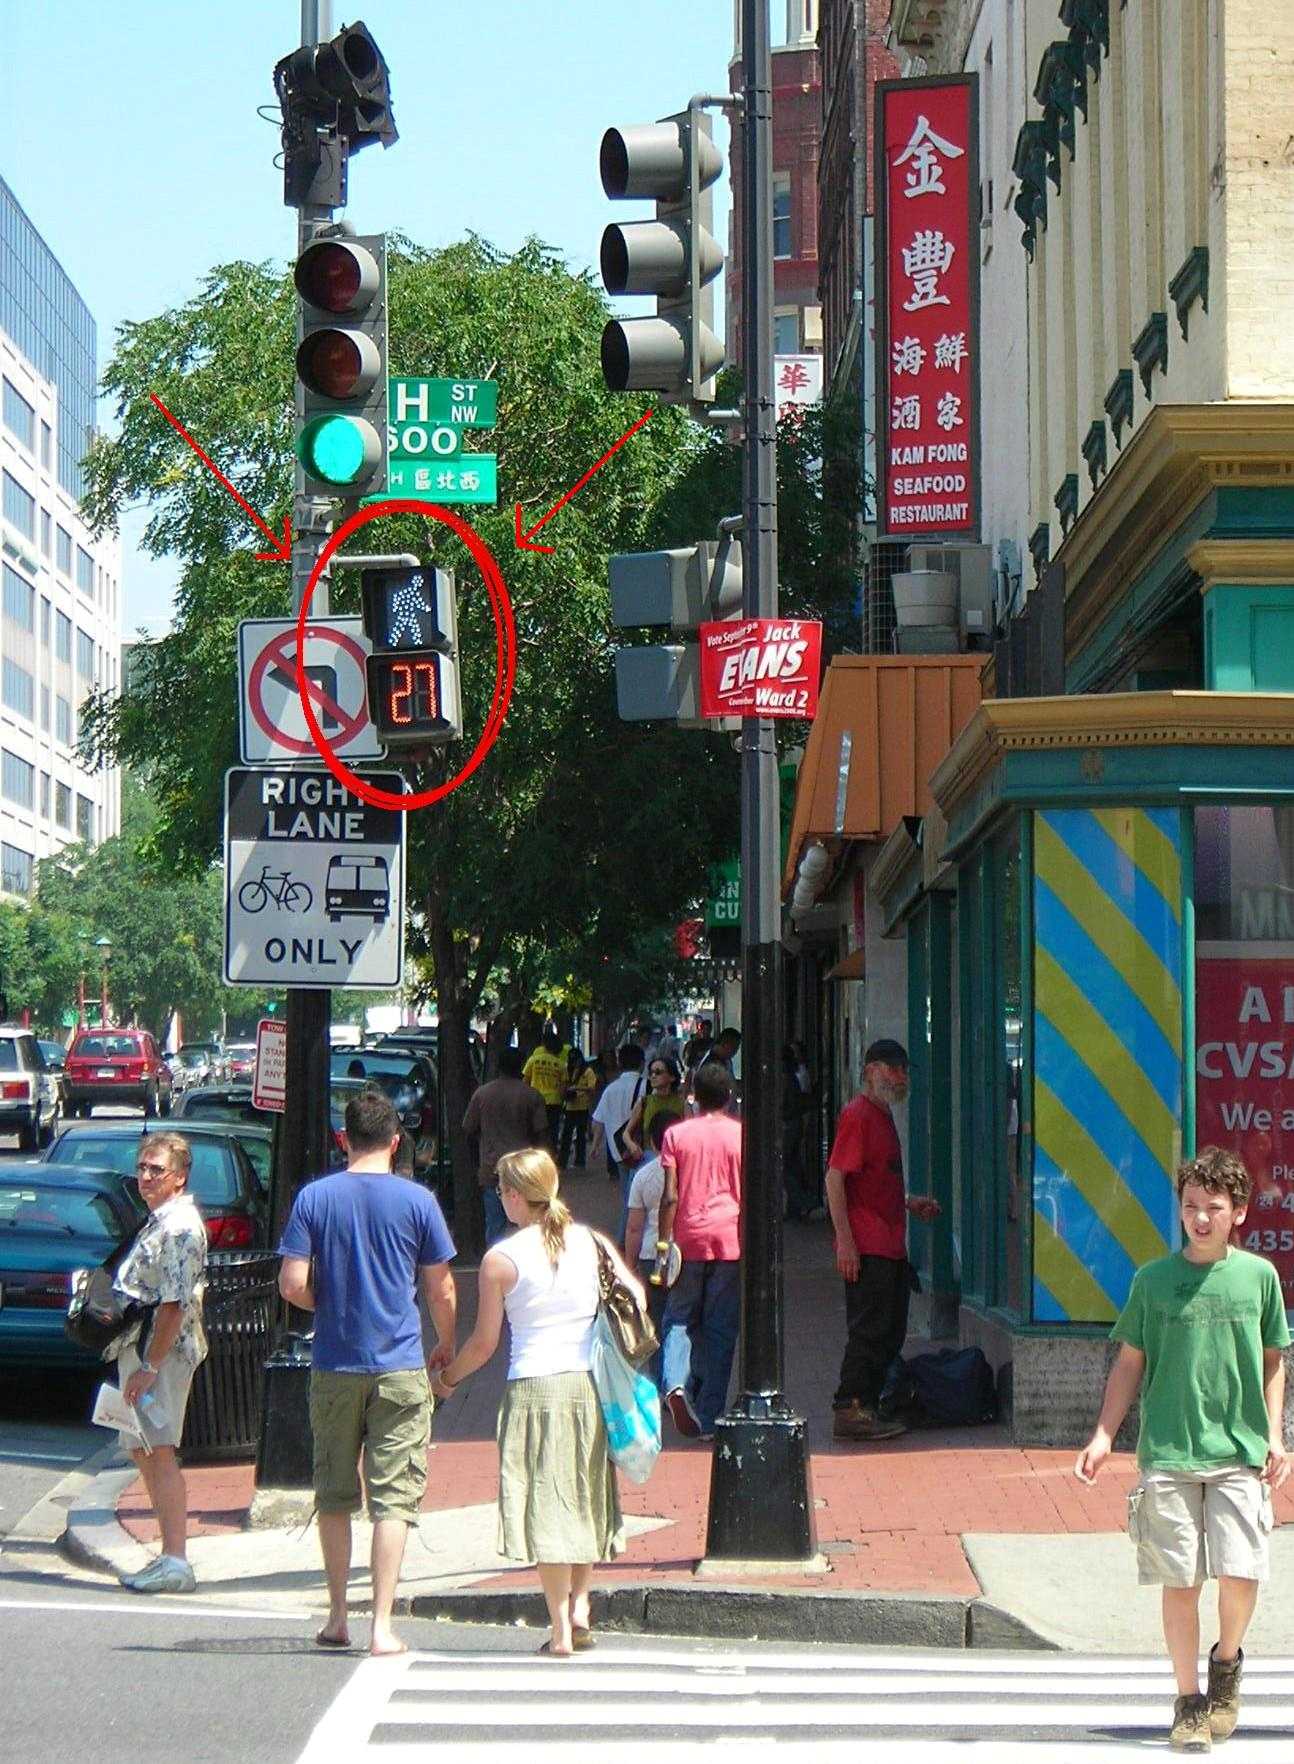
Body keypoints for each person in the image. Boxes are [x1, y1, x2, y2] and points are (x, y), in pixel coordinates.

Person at [1075, 1147, 1290, 1753]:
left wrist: (1276, 1435)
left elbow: (1275, 1359)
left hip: (1239, 1451)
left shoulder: (1258, 1278)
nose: (1199, 1218)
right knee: (1181, 1579)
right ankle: (1189, 1700)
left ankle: (1227, 1664)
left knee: (1242, 1571)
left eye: (1213, 1207)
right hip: (1168, 1453)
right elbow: (1128, 1364)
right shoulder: (1152, 1281)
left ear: (1238, 1212)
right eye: (1190, 1206)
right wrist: (1103, 1435)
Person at [431, 1149, 640, 1657]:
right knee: (586, 1493)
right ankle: (582, 1605)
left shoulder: (501, 1260)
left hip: (533, 1387)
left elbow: (483, 1343)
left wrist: (448, 1379)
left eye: (502, 1189)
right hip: (586, 1383)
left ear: (512, 1195)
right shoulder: (590, 1242)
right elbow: (635, 1295)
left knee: (547, 1504)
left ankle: (560, 1628)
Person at [278, 1087, 458, 1657]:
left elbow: (291, 1284)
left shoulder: (314, 1198)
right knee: (394, 1498)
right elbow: (441, 1287)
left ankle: (337, 1615)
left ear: (343, 1139)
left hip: (334, 1361)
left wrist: (326, 1304)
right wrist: (445, 1346)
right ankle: (381, 1624)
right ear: (396, 1140)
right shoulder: (418, 1202)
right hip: (400, 1362)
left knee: (333, 1494)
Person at [825, 1038, 939, 1444]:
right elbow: (836, 1177)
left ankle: (866, 1405)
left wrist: (908, 1203)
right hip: (869, 1245)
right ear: (872, 1070)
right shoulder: (858, 1115)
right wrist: (846, 1242)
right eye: (893, 1068)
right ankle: (851, 1405)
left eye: (904, 1069)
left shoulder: (882, 1115)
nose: (901, 1075)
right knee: (871, 1330)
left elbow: (872, 1181)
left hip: (889, 1244)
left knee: (888, 1330)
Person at [112, 1131, 208, 1594]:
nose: (146, 1177)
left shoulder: (180, 1227)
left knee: (160, 1448)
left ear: (180, 1176)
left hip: (162, 1354)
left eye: (157, 1170)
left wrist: (150, 1366)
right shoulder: (159, 1220)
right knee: (140, 1447)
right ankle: (166, 1555)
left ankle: (176, 1560)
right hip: (141, 1349)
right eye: (143, 1168)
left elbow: (174, 1304)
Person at [657, 1061, 743, 1439]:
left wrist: (664, 1242)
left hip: (686, 1238)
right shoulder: (741, 1136)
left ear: (694, 1095)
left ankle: (675, 1380)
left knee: (678, 1318)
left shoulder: (676, 1136)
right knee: (721, 1327)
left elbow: (670, 1194)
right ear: (730, 1097)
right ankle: (710, 1417)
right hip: (728, 1239)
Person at [463, 1046, 548, 1246]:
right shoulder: (531, 1095)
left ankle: (495, 1267)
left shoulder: (482, 1094)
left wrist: (478, 1160)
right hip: (526, 1172)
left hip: (492, 1169)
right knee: (530, 1224)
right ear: (521, 1067)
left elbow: (468, 1129)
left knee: (494, 1225)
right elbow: (542, 1134)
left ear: (498, 1066)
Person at [623, 1112, 674, 1355]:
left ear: (652, 1142)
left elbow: (634, 1227)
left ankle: (660, 1377)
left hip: (650, 1254)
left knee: (654, 1320)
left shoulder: (643, 1176)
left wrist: (629, 1265)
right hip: (684, 1255)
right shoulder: (690, 1171)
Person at [590, 1043, 647, 1233]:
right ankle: (630, 1239)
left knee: (627, 1197)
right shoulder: (647, 1086)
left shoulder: (610, 1089)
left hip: (620, 1152)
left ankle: (624, 1237)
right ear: (641, 1063)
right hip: (644, 1149)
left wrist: (596, 1145)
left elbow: (598, 1120)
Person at [619, 1053, 685, 1166]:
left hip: (676, 1159)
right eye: (651, 1073)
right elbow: (626, 1134)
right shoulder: (644, 1102)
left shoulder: (682, 1104)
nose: (653, 1076)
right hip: (647, 1160)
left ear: (672, 1077)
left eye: (658, 1072)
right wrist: (632, 1146)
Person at [523, 1025, 570, 1151]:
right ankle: (550, 1156)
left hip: (535, 1099)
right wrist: (563, 1100)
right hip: (554, 1102)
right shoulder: (560, 1065)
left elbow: (525, 1081)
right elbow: (563, 1087)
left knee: (534, 1129)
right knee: (552, 1131)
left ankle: (534, 1154)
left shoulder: (533, 1060)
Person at [558, 1048, 597, 1170]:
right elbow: (562, 1085)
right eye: (572, 1061)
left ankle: (580, 1162)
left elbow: (592, 1088)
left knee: (581, 1136)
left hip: (582, 1107)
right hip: (569, 1107)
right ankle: (562, 1162)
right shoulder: (566, 1069)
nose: (575, 1063)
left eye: (577, 1060)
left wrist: (578, 1089)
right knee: (566, 1135)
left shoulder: (588, 1071)